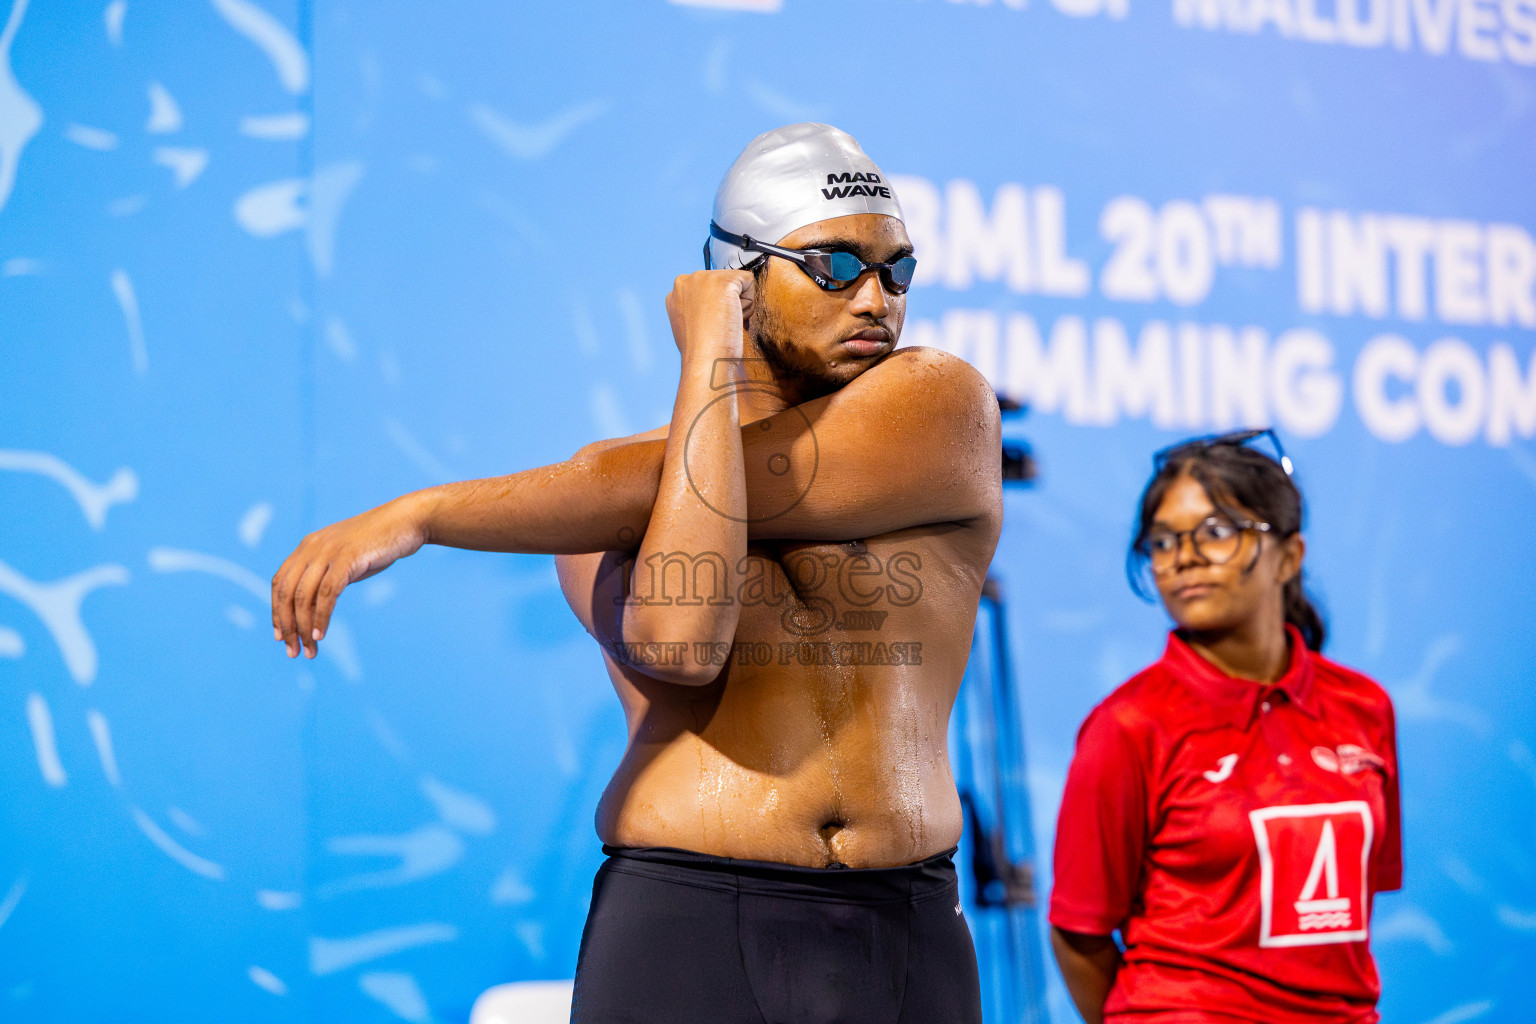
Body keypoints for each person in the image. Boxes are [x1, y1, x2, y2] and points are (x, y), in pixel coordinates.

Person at [270, 123, 999, 1023]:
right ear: (735, 276)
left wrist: (422, 513)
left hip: (906, 923)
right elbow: (684, 645)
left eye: (898, 270)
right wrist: (712, 361)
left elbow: (728, 479)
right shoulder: (598, 496)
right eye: (834, 266)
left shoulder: (937, 407)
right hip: (686, 919)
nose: (876, 299)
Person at [1049, 430, 1403, 1024]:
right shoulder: (1127, 726)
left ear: (1289, 557)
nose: (1183, 556)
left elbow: (1353, 908)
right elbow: (1079, 934)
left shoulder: (1364, 707)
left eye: (1215, 532)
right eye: (1161, 542)